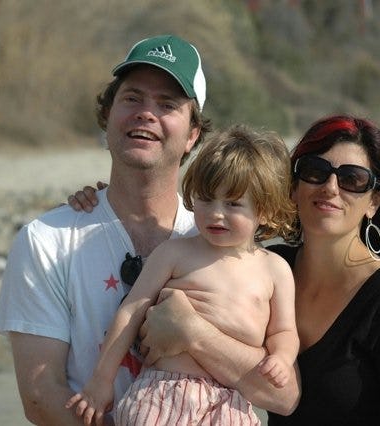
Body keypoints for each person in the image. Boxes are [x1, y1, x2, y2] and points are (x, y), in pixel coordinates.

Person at [69, 113, 380, 425]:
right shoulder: (271, 263)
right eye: (315, 170)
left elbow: (284, 394)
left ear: (374, 200)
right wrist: (101, 199)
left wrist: (193, 331)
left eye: (352, 179)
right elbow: (206, 207)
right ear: (290, 188)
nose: (329, 187)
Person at [0, 34, 215, 425]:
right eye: (132, 98)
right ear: (108, 114)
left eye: (167, 104)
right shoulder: (47, 241)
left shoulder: (217, 243)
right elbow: (42, 397)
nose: (146, 113)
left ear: (193, 134)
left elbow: (274, 388)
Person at [66, 124, 299, 426]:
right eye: (206, 199)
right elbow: (130, 312)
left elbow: (283, 331)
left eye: (232, 204)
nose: (216, 213)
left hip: (230, 402)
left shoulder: (275, 269)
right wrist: (101, 381)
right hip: (163, 393)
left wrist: (281, 357)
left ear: (264, 210)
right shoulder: (175, 252)